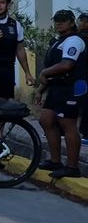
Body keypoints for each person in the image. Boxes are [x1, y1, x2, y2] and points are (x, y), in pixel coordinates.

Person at [35, 10, 86, 179]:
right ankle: (55, 161)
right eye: (57, 20)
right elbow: (53, 69)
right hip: (56, 87)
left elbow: (66, 65)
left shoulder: (74, 40)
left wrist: (44, 72)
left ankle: (72, 167)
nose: (59, 23)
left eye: (63, 20)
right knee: (46, 120)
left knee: (68, 124)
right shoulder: (58, 41)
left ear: (72, 22)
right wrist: (40, 90)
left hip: (71, 87)